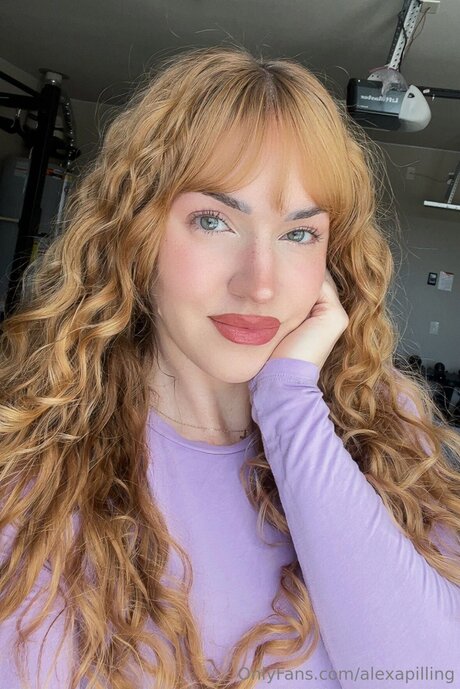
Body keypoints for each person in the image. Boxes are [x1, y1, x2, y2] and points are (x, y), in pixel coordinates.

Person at [1, 45, 460, 689]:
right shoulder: (32, 475)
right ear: (136, 234)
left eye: (299, 233)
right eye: (214, 221)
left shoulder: (387, 430)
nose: (260, 284)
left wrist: (289, 403)